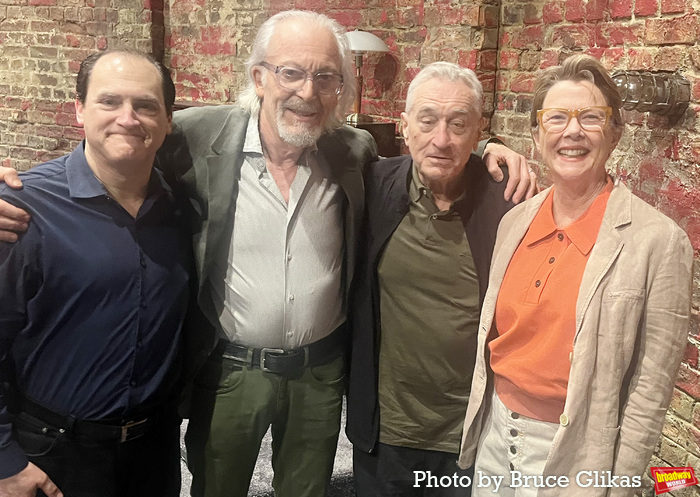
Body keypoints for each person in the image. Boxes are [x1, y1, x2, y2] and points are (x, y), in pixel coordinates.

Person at [0, 10, 536, 497]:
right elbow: (118, 145)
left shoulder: (352, 151)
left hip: (320, 372)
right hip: (230, 368)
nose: (308, 90)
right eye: (290, 73)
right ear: (259, 78)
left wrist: (488, 147)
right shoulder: (194, 135)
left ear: (342, 92)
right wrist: (15, 185)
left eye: (326, 77)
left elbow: (429, 147)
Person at [457, 54, 693, 497]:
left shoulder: (658, 242)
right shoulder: (514, 224)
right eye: (557, 117)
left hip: (575, 451)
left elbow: (650, 390)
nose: (572, 131)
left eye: (590, 117)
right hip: (495, 434)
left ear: (615, 133)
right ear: (536, 133)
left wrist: (618, 483)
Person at [0, 50, 191, 497]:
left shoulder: (184, 208)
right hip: (53, 455)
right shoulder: (23, 210)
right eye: (109, 101)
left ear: (167, 121)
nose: (128, 118)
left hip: (154, 451)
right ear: (80, 109)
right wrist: (5, 462)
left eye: (146, 105)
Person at [347, 61, 517, 497]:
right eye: (427, 120)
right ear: (404, 126)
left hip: (471, 434)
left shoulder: (509, 204)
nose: (441, 139)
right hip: (387, 432)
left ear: (479, 130)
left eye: (458, 124)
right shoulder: (373, 186)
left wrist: (502, 149)